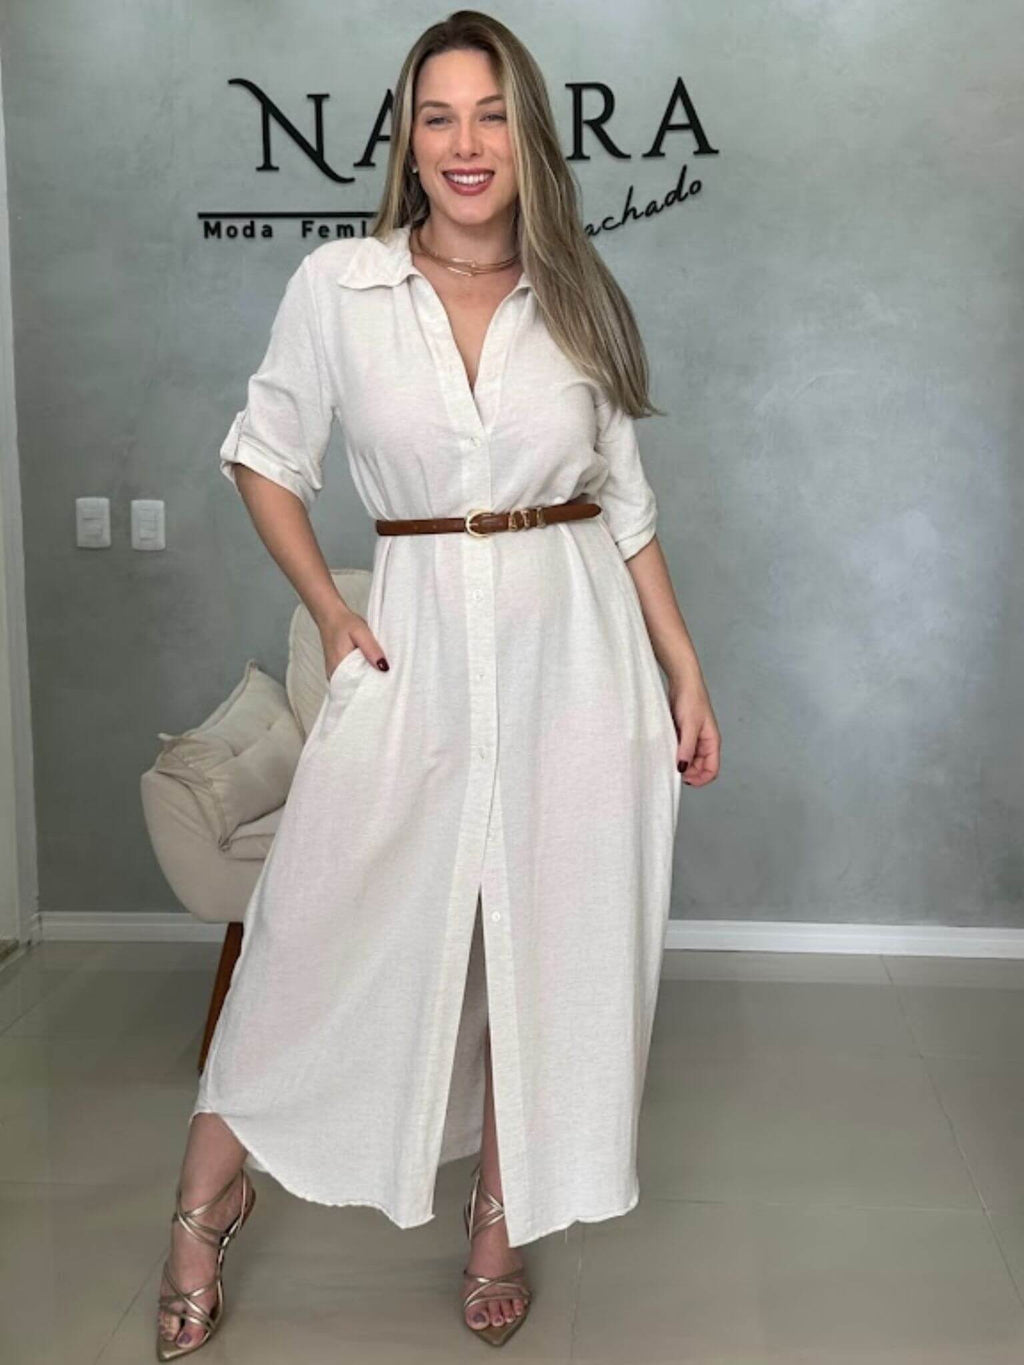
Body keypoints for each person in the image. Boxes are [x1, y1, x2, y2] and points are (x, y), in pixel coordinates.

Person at [155, 9, 720, 1358]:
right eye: (438, 116)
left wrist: (685, 670)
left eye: (490, 113)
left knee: (552, 937)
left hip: (577, 658)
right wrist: (332, 610)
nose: (466, 142)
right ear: (407, 143)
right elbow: (262, 455)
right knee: (314, 924)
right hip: (412, 651)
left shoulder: (578, 295)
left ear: (527, 136)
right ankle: (207, 1198)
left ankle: (498, 1217)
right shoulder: (339, 287)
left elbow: (626, 503)